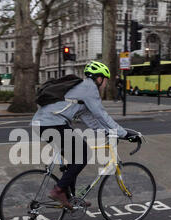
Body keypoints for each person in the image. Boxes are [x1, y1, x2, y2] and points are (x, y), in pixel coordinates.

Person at [31, 61, 139, 209]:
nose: (106, 84)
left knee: (75, 157)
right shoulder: (89, 88)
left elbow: (92, 121)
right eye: (106, 80)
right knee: (83, 154)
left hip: (42, 125)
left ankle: (70, 198)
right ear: (99, 79)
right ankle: (58, 190)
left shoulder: (82, 92)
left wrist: (110, 133)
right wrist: (124, 133)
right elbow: (102, 115)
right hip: (51, 124)